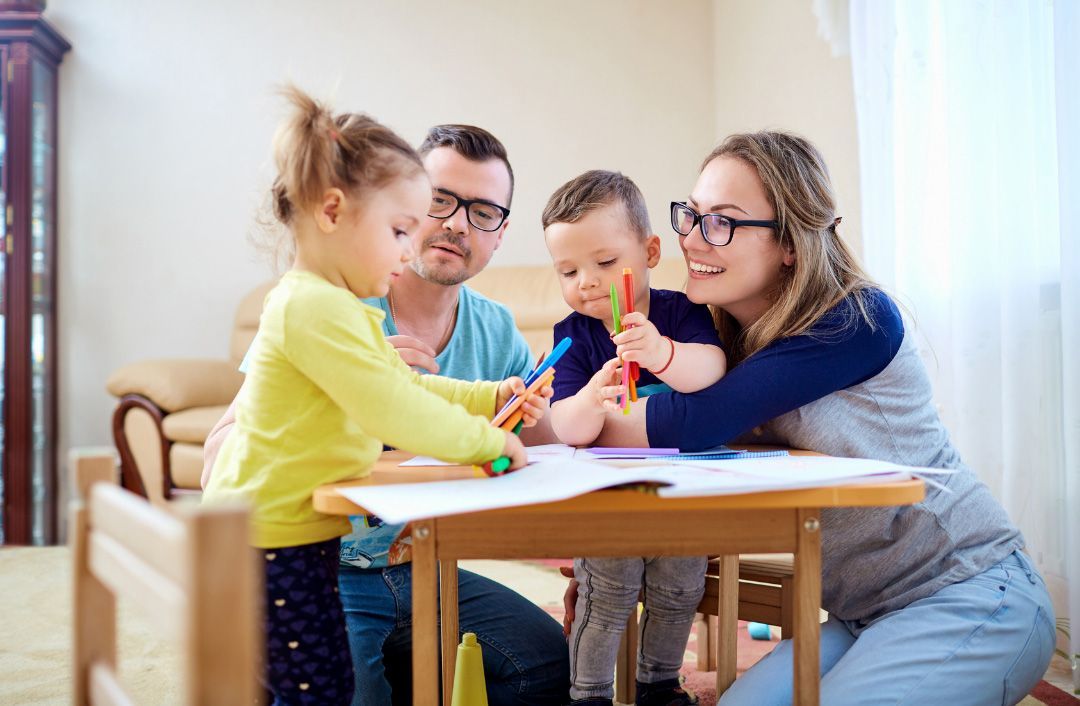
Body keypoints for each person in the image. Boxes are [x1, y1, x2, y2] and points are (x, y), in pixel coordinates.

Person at [564, 131, 1055, 705]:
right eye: (691, 216)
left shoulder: (854, 319)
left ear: (790, 243)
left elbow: (689, 424)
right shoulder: (721, 339)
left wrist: (564, 424)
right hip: (860, 615)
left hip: (972, 589)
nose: (693, 239)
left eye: (721, 221)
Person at [205, 124, 570, 706]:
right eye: (434, 205)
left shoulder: (491, 326)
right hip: (309, 557)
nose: (452, 225)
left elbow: (435, 395)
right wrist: (481, 441)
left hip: (421, 564)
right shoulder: (330, 305)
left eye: (482, 212)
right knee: (326, 687)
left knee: (552, 665)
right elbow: (399, 406)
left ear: (500, 234)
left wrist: (497, 400)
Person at [542, 170, 726, 705]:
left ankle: (659, 684)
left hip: (681, 494)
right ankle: (589, 693)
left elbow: (711, 371)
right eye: (568, 270)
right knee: (607, 596)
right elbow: (568, 429)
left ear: (649, 251)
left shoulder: (680, 313)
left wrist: (662, 354)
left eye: (603, 263)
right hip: (609, 501)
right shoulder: (572, 337)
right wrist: (589, 400)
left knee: (679, 591)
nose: (587, 281)